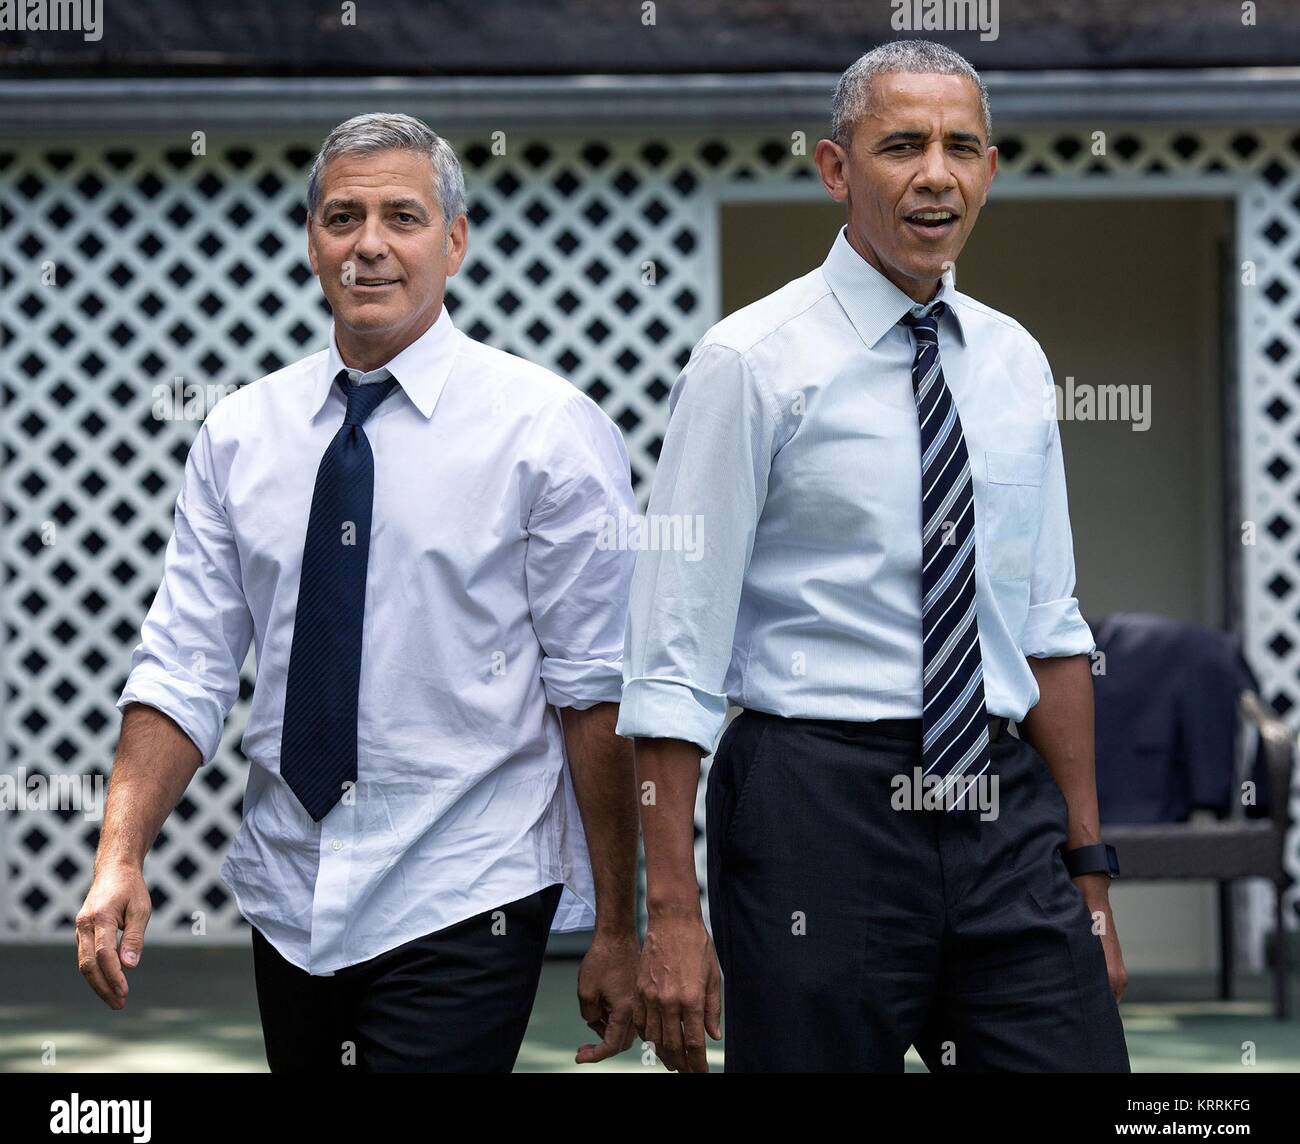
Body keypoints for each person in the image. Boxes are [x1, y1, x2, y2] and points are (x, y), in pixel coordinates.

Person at [76, 112, 641, 1072]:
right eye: (342, 217)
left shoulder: (546, 431)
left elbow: (597, 691)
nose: (369, 244)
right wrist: (119, 852)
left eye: (402, 217)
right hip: (288, 895)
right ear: (311, 241)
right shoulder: (240, 435)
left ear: (454, 241)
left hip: (468, 887)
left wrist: (626, 924)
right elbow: (184, 666)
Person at [618, 40, 1131, 1073]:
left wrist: (1088, 874)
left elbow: (1046, 627)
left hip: (997, 797)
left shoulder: (1015, 362)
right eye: (900, 145)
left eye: (959, 146)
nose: (933, 173)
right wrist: (672, 910)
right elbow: (670, 655)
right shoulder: (750, 363)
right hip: (814, 803)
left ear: (988, 168)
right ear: (834, 168)